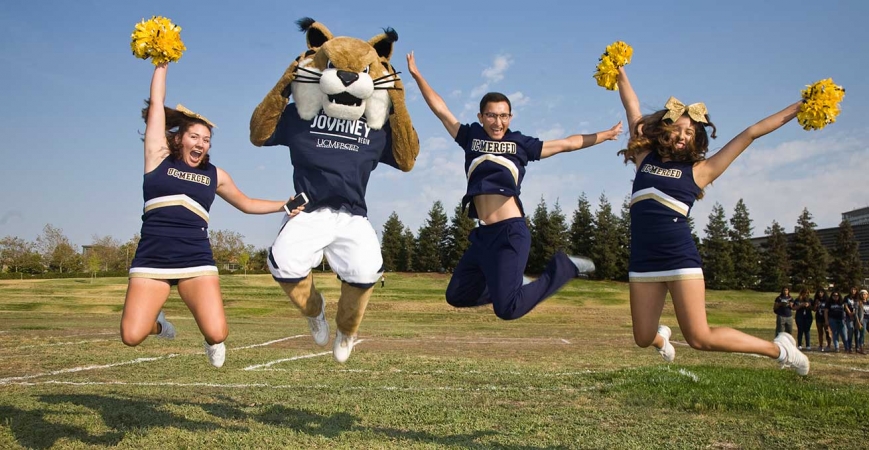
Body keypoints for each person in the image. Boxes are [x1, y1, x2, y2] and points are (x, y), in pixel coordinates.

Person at [613, 64, 809, 375]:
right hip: (643, 260)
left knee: (700, 338)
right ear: (664, 129)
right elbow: (631, 105)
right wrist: (619, 70)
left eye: (690, 132)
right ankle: (663, 341)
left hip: (679, 259)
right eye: (678, 128)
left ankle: (780, 349)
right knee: (641, 338)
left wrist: (800, 107)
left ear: (696, 139)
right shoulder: (644, 158)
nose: (682, 135)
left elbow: (751, 133)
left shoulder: (700, 171)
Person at [406, 51, 622, 321]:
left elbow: (568, 143)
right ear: (481, 116)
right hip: (484, 236)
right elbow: (440, 110)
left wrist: (606, 135)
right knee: (457, 294)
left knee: (507, 309)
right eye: (492, 116)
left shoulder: (522, 144)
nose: (498, 122)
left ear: (511, 117)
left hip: (510, 232)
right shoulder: (470, 136)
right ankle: (508, 283)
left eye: (504, 116)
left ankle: (563, 269)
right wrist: (417, 75)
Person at [121, 63, 296, 368]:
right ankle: (158, 324)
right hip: (153, 259)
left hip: (195, 259)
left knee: (218, 333)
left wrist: (285, 204)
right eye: (195, 137)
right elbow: (156, 105)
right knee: (132, 335)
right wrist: (162, 63)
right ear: (178, 138)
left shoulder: (215, 175)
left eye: (207, 140)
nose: (201, 144)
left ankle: (209, 340)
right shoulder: (157, 158)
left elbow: (246, 202)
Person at [813, 288, 831, 352]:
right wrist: (816, 304)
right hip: (818, 317)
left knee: (827, 332)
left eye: (821, 292)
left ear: (824, 293)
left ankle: (828, 345)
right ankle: (820, 345)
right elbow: (814, 310)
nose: (820, 294)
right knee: (820, 332)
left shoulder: (827, 300)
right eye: (819, 292)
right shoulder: (816, 300)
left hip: (826, 318)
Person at [844, 286, 859, 353]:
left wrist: (855, 313)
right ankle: (849, 347)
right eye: (852, 289)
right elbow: (845, 305)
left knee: (857, 332)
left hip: (857, 316)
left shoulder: (858, 298)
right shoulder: (846, 297)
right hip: (848, 316)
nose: (853, 291)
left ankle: (857, 347)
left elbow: (859, 307)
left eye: (854, 289)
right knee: (850, 330)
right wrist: (849, 313)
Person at [855, 289, 867, 354]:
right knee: (862, 333)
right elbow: (856, 314)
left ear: (867, 295)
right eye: (862, 294)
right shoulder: (858, 303)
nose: (863, 295)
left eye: (864, 294)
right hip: (863, 320)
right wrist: (858, 322)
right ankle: (861, 348)